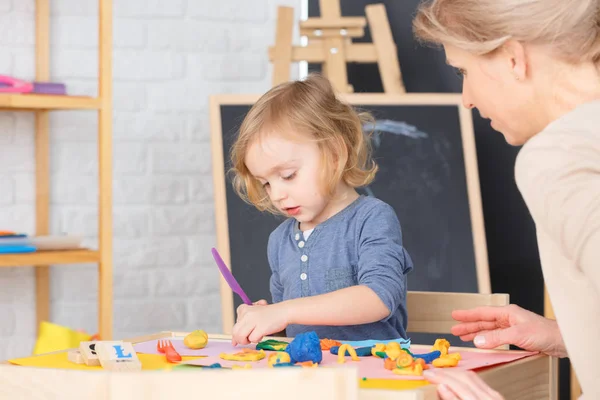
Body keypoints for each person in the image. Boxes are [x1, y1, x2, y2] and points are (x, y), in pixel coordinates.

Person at [412, 0, 600, 398]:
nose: (466, 98)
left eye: (464, 71)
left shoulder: (560, 155)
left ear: (514, 58)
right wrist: (571, 334)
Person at [227, 73, 414, 346]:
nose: (277, 195)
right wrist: (267, 321)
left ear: (335, 153)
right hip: (309, 376)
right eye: (266, 183)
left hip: (372, 372)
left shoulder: (371, 218)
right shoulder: (280, 241)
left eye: (288, 175)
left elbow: (379, 297)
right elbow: (293, 328)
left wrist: (283, 311)